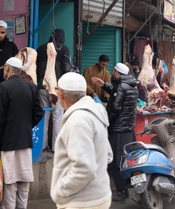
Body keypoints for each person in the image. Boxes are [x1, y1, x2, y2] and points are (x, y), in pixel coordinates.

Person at [51, 72, 113, 209]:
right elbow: (108, 155)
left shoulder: (78, 120)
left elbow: (85, 168)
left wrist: (61, 190)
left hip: (82, 202)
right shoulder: (95, 112)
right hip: (99, 197)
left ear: (61, 94)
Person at [0, 57, 44, 209]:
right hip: (25, 141)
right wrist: (27, 125)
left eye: (4, 68)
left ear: (7, 68)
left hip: (8, 142)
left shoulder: (3, 87)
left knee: (10, 181)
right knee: (24, 180)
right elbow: (39, 113)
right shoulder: (31, 87)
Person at [91, 63, 138, 202]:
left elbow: (116, 107)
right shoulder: (131, 85)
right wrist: (103, 84)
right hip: (128, 129)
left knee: (116, 161)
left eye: (114, 72)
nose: (113, 74)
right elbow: (118, 92)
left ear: (117, 73)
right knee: (126, 159)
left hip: (118, 130)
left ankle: (121, 191)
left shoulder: (121, 86)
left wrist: (105, 120)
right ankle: (127, 186)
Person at [36, 29, 71, 152]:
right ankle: (56, 148)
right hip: (57, 89)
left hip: (42, 87)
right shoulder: (64, 50)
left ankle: (42, 146)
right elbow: (67, 68)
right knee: (57, 118)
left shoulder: (40, 49)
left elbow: (35, 69)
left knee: (44, 117)